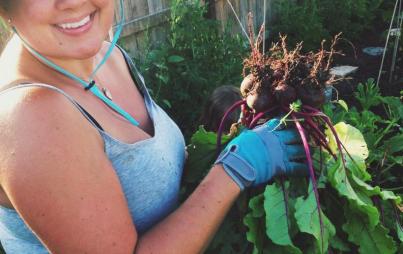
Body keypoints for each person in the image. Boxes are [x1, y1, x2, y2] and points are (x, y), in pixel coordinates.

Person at [0, 1, 307, 253]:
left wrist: (220, 146)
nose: (73, 2)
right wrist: (233, 171)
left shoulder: (105, 55)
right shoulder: (29, 116)